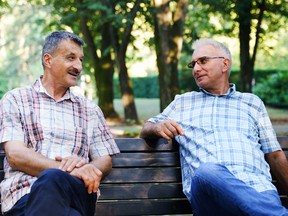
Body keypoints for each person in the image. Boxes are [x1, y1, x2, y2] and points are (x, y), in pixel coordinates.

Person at [140, 38, 288, 216]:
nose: (196, 69)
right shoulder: (183, 102)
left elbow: (275, 155)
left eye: (203, 61)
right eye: (193, 64)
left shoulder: (252, 103)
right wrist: (158, 128)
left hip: (259, 192)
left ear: (225, 64)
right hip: (210, 200)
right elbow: (147, 126)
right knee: (207, 171)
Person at [0, 31, 120, 216]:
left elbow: (104, 159)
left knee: (52, 179)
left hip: (77, 193)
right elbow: (16, 154)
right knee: (53, 183)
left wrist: (86, 171)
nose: (78, 66)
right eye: (70, 58)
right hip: (24, 197)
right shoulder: (16, 100)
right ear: (48, 60)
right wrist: (71, 170)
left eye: (81, 60)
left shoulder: (90, 109)